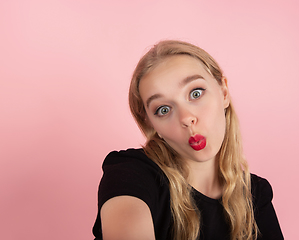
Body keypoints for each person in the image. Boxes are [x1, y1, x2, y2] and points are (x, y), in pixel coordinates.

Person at [92, 40, 284, 240]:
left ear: (224, 92)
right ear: (151, 125)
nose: (186, 118)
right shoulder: (132, 174)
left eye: (195, 93)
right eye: (163, 110)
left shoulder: (255, 195)